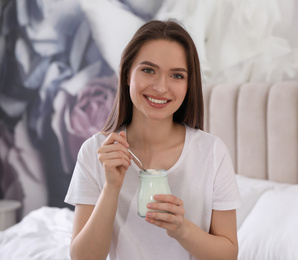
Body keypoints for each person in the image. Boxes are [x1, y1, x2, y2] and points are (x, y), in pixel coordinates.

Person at [65, 19, 241, 260]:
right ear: (127, 74)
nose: (160, 87)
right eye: (148, 70)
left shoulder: (211, 152)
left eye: (177, 76)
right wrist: (111, 187)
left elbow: (229, 254)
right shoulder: (96, 151)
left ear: (189, 85)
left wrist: (182, 229)